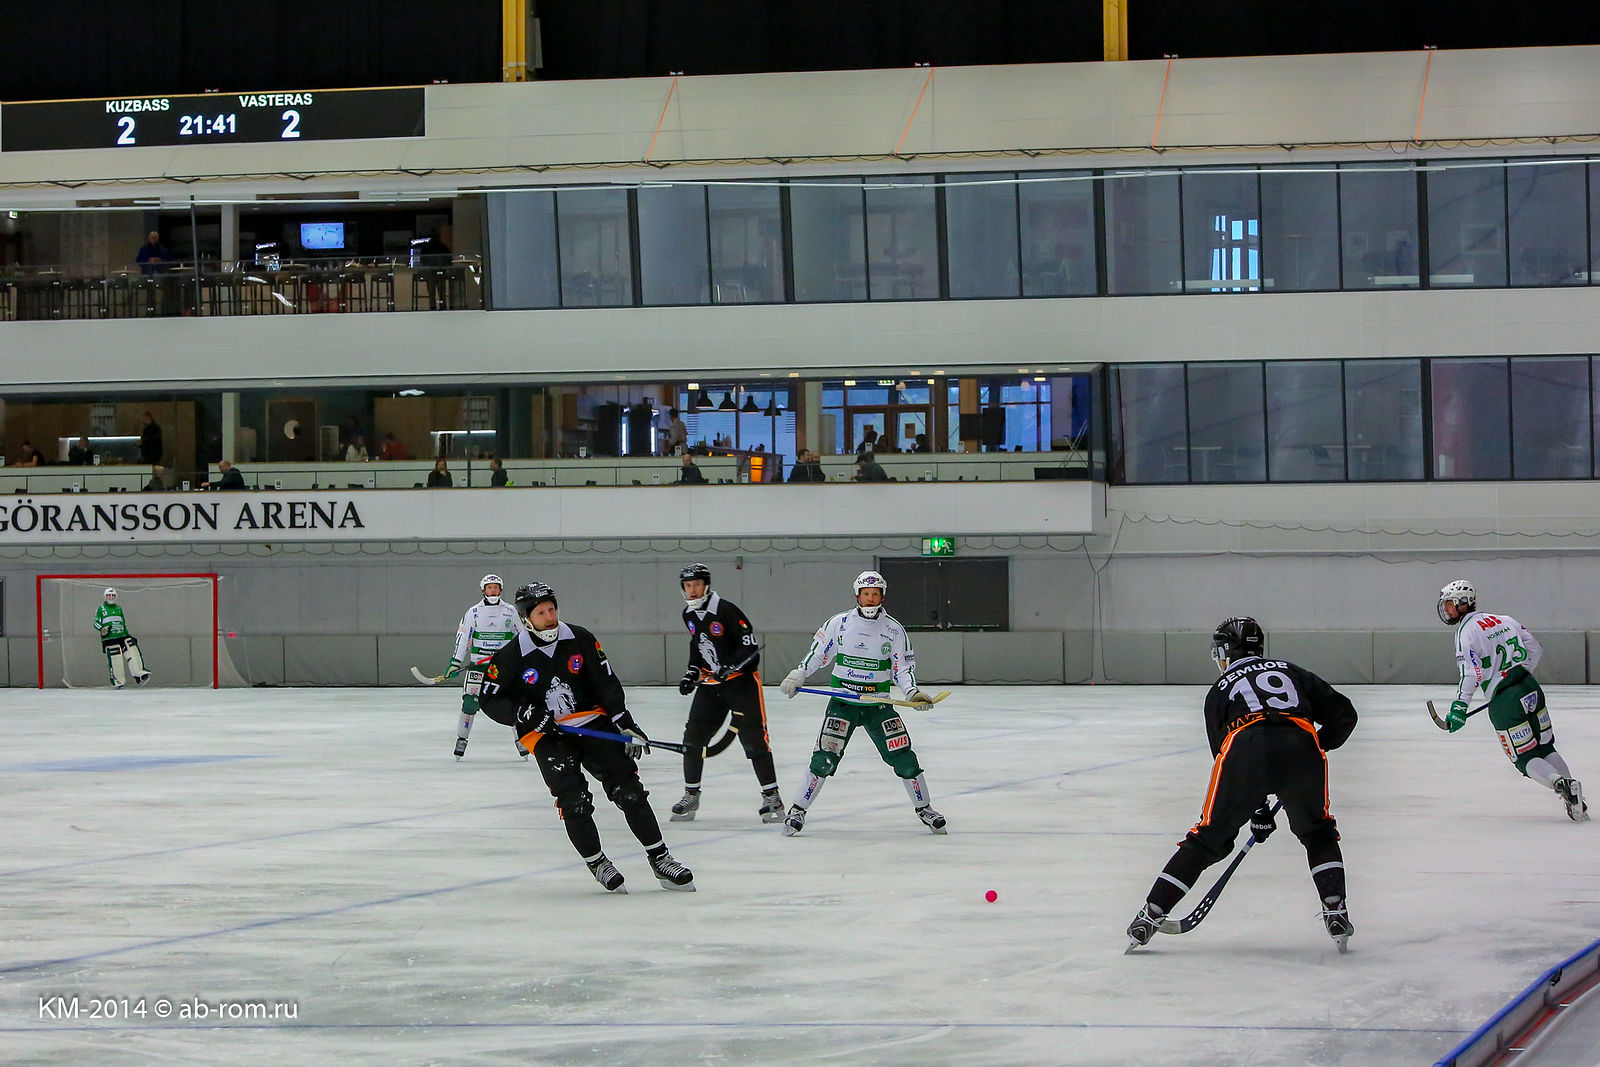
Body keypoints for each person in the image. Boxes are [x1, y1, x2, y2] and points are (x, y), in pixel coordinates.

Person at [1125, 617, 1359, 953]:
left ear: (1224, 652)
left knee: (1206, 839)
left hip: (1244, 746)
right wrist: (1315, 745)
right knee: (1318, 833)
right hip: (1302, 744)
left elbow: (1223, 756)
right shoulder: (1292, 671)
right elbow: (1345, 715)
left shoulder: (1220, 689)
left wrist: (1256, 807)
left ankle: (1151, 914)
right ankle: (1335, 908)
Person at [477, 581, 695, 893]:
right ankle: (597, 862)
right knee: (574, 801)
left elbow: (606, 683)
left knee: (629, 790)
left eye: (552, 609)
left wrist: (625, 723)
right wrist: (525, 714)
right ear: (526, 619)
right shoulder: (511, 655)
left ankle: (660, 858)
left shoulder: (580, 638)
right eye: (541, 613)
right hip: (547, 736)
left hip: (592, 723)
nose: (550, 617)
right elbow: (490, 699)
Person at [777, 571, 945, 836]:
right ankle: (798, 810)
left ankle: (925, 808)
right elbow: (818, 654)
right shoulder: (839, 623)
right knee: (824, 758)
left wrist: (912, 692)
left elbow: (902, 669)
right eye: (866, 594)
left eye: (875, 594)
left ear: (882, 596)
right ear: (857, 595)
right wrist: (799, 673)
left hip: (878, 705)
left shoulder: (894, 630)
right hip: (842, 704)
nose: (870, 599)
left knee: (903, 757)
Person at [1436, 580, 1587, 821]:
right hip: (1530, 687)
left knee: (1524, 756)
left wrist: (1459, 707)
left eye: (1449, 604)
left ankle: (1562, 785)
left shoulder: (1466, 632)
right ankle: (1576, 798)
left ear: (1463, 603)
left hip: (1505, 701)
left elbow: (1471, 674)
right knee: (1546, 747)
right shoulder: (1504, 619)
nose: (1446, 609)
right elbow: (1535, 648)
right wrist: (1520, 674)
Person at [668, 563, 783, 824]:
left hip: (741, 685)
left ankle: (772, 796)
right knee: (693, 738)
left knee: (753, 738)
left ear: (706, 585)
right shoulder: (688, 614)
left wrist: (730, 666)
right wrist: (691, 672)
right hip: (711, 686)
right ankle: (691, 794)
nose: (692, 590)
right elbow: (697, 646)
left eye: (697, 584)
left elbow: (750, 650)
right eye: (688, 585)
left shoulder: (726, 610)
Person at [448, 575, 527, 761]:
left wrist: (527, 659)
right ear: (483, 590)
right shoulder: (473, 612)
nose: (493, 591)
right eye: (489, 588)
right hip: (479, 665)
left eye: (496, 587)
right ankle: (462, 739)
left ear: (501, 590)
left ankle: (522, 739)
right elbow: (464, 638)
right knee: (469, 703)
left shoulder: (511, 611)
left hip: (504, 667)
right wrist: (455, 662)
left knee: (513, 702)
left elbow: (524, 636)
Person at [94, 587, 151, 689]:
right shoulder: (101, 609)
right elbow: (96, 623)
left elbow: (123, 623)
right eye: (108, 595)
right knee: (116, 659)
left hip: (122, 636)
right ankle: (118, 681)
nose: (111, 597)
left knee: (133, 651)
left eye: (113, 595)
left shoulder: (118, 608)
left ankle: (139, 674)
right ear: (105, 597)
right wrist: (101, 629)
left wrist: (127, 634)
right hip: (109, 639)